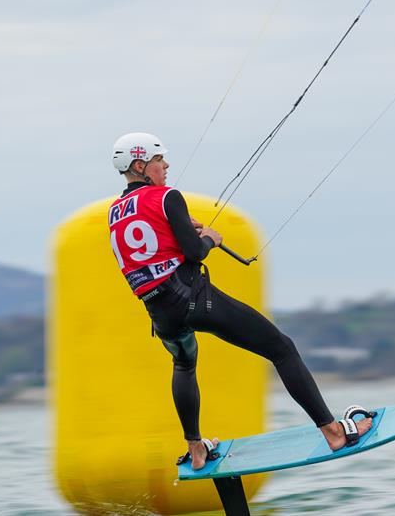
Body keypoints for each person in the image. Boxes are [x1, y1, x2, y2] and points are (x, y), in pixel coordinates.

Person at [107, 132, 372, 470]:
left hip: (160, 314)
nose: (166, 165)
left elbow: (146, 253)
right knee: (281, 348)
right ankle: (334, 432)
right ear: (141, 165)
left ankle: (197, 450)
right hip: (192, 298)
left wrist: (179, 228)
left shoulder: (115, 211)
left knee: (184, 365)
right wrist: (209, 240)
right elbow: (192, 252)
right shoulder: (167, 196)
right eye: (160, 160)